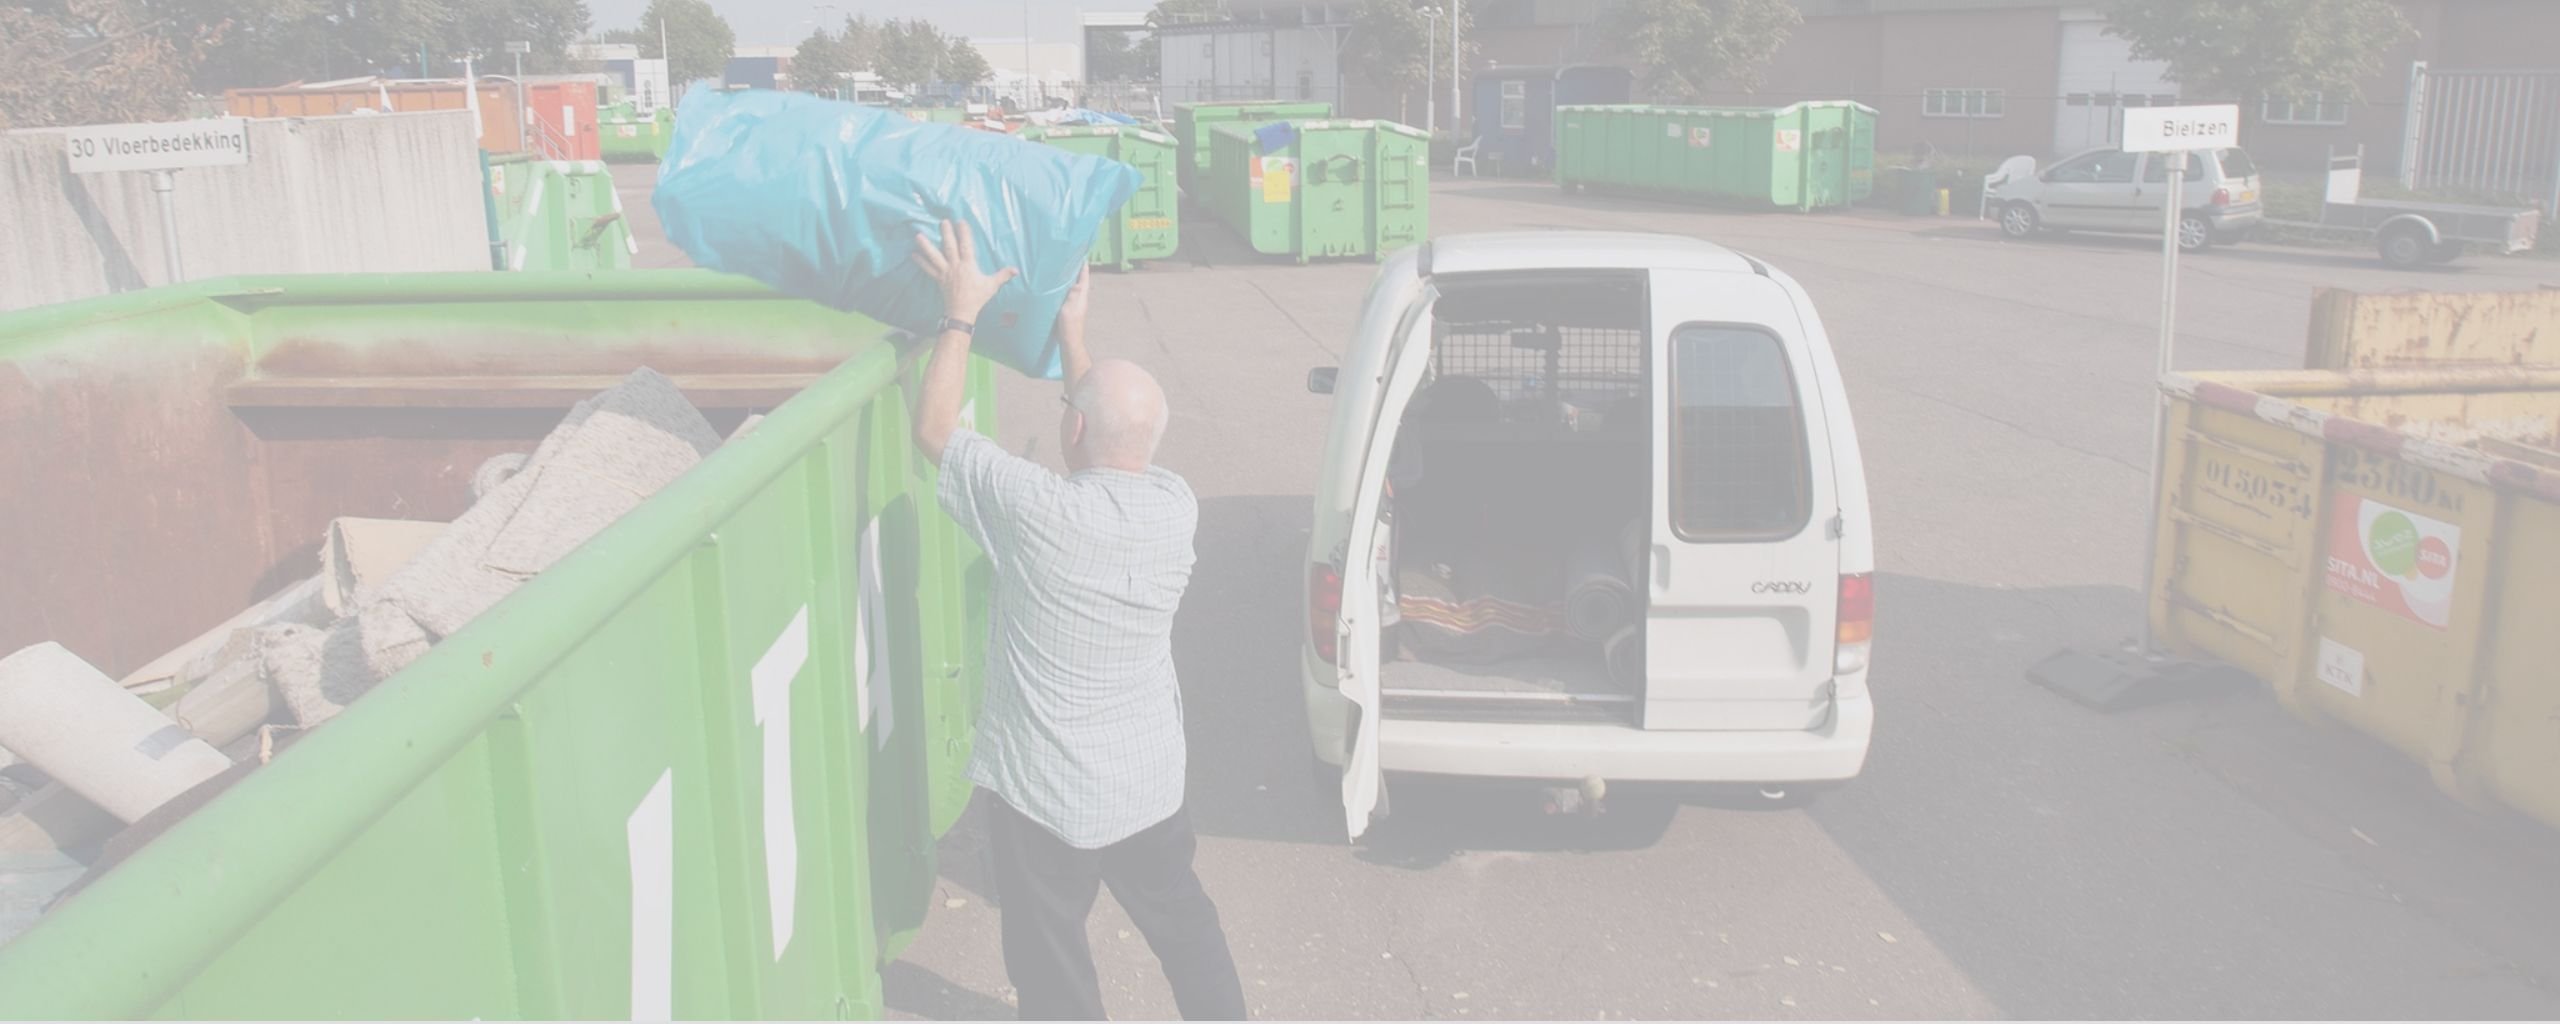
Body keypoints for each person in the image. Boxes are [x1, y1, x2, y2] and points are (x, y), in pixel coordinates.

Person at [907, 220, 1247, 1022]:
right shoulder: (1175, 507)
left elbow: (933, 430)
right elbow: (1101, 430)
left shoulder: (1038, 512)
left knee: (1050, 957)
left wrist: (959, 315)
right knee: (1185, 925)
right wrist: (1073, 334)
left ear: (1072, 427)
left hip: (1046, 795)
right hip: (1146, 781)